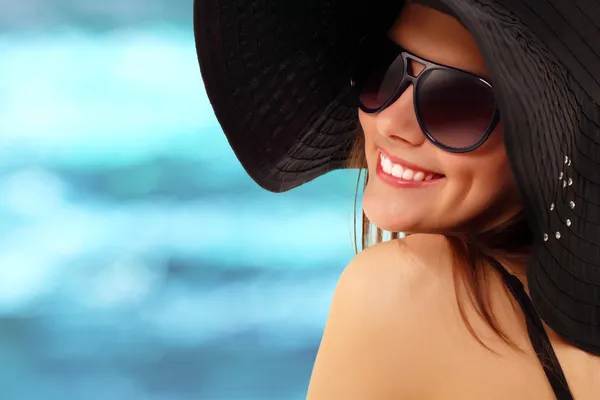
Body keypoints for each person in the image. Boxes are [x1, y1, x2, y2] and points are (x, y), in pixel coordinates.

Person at [194, 0, 600, 398]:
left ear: (550, 140)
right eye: (382, 66)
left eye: (456, 100)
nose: (390, 122)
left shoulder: (398, 292)